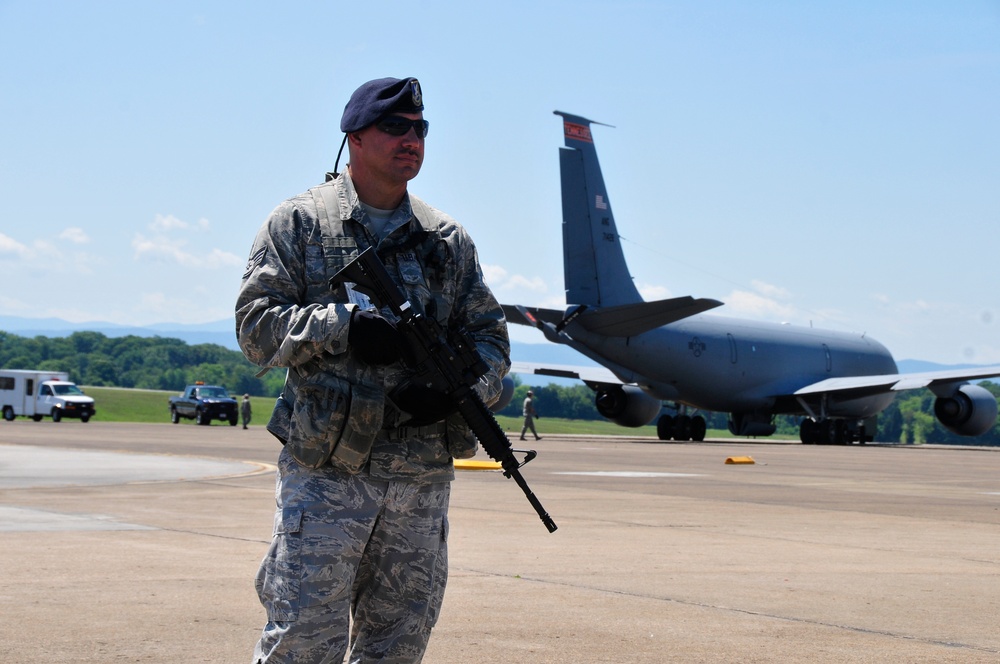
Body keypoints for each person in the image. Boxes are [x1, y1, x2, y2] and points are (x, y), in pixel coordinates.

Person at [236, 77, 510, 664]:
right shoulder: (300, 224)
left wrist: (461, 391)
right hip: (328, 475)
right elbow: (255, 330)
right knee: (303, 641)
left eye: (420, 129)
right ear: (355, 136)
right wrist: (340, 325)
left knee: (398, 645)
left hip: (419, 479)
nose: (411, 139)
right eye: (395, 127)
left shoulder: (446, 240)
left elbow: (491, 340)